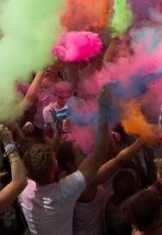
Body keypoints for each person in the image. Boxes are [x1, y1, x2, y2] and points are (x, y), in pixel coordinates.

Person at [18, 84, 114, 235]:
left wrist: (57, 133)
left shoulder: (23, 189)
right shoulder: (64, 193)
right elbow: (99, 153)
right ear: (55, 166)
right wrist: (103, 111)